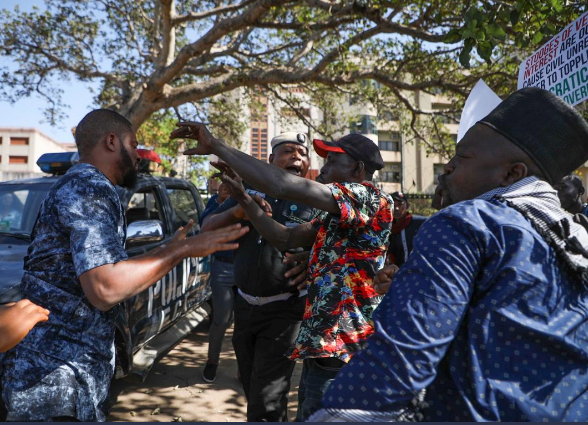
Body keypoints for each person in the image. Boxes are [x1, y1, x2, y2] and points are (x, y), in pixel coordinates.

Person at [307, 87, 588, 422]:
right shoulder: (575, 238)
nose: (447, 168)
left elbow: (397, 364)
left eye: (462, 158)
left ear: (512, 174)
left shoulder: (468, 223)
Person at [0, 109, 248, 422]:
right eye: (133, 146)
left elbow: (101, 270)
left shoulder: (82, 185)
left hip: (66, 373)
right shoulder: (90, 188)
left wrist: (172, 247)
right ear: (112, 141)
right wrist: (181, 251)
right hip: (55, 379)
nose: (138, 156)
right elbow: (105, 287)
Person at [173, 126, 393, 421]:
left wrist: (215, 144)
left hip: (344, 345)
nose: (323, 168)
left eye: (332, 161)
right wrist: (245, 199)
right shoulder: (336, 212)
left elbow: (280, 185)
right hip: (320, 343)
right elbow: (285, 239)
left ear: (357, 168)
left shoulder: (367, 198)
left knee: (278, 408)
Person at [198, 132, 313, 421]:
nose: (297, 156)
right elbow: (207, 229)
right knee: (252, 387)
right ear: (271, 159)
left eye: (302, 152)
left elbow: (335, 247)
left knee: (266, 399)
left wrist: (313, 261)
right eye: (289, 151)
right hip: (245, 307)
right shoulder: (247, 189)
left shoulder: (315, 196)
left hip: (285, 312)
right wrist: (239, 211)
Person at [199, 182, 237, 383]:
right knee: (221, 319)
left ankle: (245, 366)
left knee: (244, 324)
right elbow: (204, 225)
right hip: (222, 266)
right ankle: (212, 362)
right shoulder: (216, 201)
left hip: (245, 265)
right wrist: (220, 202)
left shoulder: (249, 197)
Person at [387, 191, 427, 267]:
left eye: (400, 204)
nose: (396, 208)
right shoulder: (388, 228)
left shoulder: (419, 223)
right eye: (393, 205)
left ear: (407, 206)